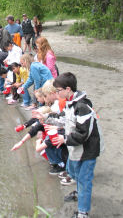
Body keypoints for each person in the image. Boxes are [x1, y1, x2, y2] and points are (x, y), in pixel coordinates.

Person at [51, 72, 104, 218]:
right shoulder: (70, 104)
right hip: (76, 149)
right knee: (73, 171)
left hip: (88, 151)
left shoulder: (82, 107)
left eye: (58, 90)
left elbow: (83, 134)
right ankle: (80, 193)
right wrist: (45, 117)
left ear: (68, 89)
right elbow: (63, 118)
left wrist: (65, 139)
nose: (57, 93)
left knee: (84, 179)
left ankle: (82, 212)